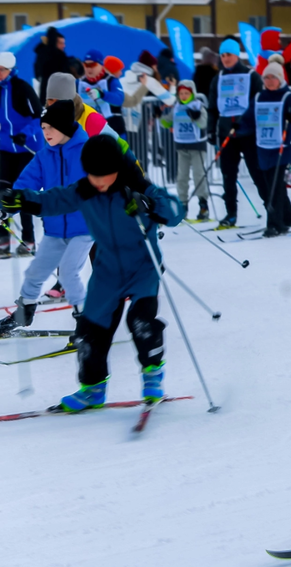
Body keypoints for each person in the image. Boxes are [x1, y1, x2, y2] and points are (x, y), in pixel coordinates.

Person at [0, 134, 184, 412]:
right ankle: (93, 389)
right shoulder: (83, 191)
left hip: (142, 268)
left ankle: (152, 375)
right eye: (92, 175)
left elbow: (175, 212)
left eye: (104, 175)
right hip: (107, 271)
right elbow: (50, 201)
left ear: (117, 170)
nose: (98, 182)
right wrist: (19, 199)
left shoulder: (137, 188)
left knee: (141, 323)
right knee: (90, 331)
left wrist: (150, 205)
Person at [0, 100, 92, 336]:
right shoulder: (43, 156)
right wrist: (8, 206)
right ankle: (25, 311)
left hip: (84, 227)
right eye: (43, 128)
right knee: (35, 272)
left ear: (64, 127)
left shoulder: (87, 152)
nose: (45, 133)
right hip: (54, 229)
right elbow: (24, 185)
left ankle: (85, 323)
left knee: (69, 272)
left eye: (50, 127)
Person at [207, 38, 267, 229]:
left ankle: (271, 209)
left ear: (237, 55)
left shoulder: (251, 75)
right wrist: (211, 129)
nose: (225, 59)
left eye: (229, 55)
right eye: (222, 55)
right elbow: (212, 108)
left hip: (248, 133)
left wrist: (248, 120)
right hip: (226, 134)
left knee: (257, 173)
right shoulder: (218, 79)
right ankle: (231, 213)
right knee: (228, 175)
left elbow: (259, 101)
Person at [251, 63, 291, 237]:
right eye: (266, 77)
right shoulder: (259, 96)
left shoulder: (287, 97)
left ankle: (274, 224)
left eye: (273, 77)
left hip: (281, 149)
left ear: (280, 79)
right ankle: (288, 217)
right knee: (272, 187)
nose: (269, 81)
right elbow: (248, 117)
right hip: (263, 149)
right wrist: (239, 127)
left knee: (275, 186)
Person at [0, 51, 43, 256]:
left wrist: (25, 135)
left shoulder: (21, 88)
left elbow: (38, 116)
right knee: (2, 190)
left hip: (27, 148)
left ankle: (29, 239)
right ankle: (3, 239)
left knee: (22, 192)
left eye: (1, 70)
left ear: (10, 70)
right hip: (6, 148)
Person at [160, 79, 210, 222]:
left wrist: (197, 117)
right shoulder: (177, 107)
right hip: (181, 147)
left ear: (192, 93)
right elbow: (166, 122)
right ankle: (183, 206)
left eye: (186, 93)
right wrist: (159, 116)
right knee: (182, 177)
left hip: (197, 147)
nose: (183, 96)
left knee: (198, 175)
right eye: (181, 93)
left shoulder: (198, 106)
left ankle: (203, 205)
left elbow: (203, 123)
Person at [78, 50, 126, 133]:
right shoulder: (79, 83)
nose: (89, 68)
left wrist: (102, 94)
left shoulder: (110, 80)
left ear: (101, 65)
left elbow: (119, 99)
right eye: (86, 65)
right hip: (89, 131)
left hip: (113, 129)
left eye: (92, 65)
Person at [34, 27, 69, 107]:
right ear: (54, 42)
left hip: (45, 91)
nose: (63, 46)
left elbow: (37, 71)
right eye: (61, 43)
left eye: (64, 43)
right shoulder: (59, 55)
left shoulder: (41, 53)